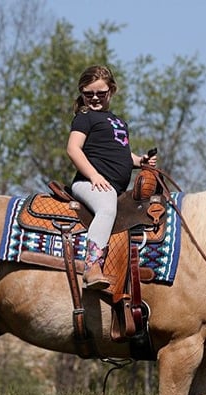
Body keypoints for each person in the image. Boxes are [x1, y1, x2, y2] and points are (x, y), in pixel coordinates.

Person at [66, 65, 157, 290]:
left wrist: (140, 162)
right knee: (107, 209)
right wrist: (94, 175)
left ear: (112, 91)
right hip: (88, 183)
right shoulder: (84, 118)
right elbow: (73, 149)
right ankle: (92, 266)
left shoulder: (118, 122)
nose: (95, 98)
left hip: (112, 187)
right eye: (88, 94)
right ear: (82, 93)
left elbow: (122, 153)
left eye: (100, 93)